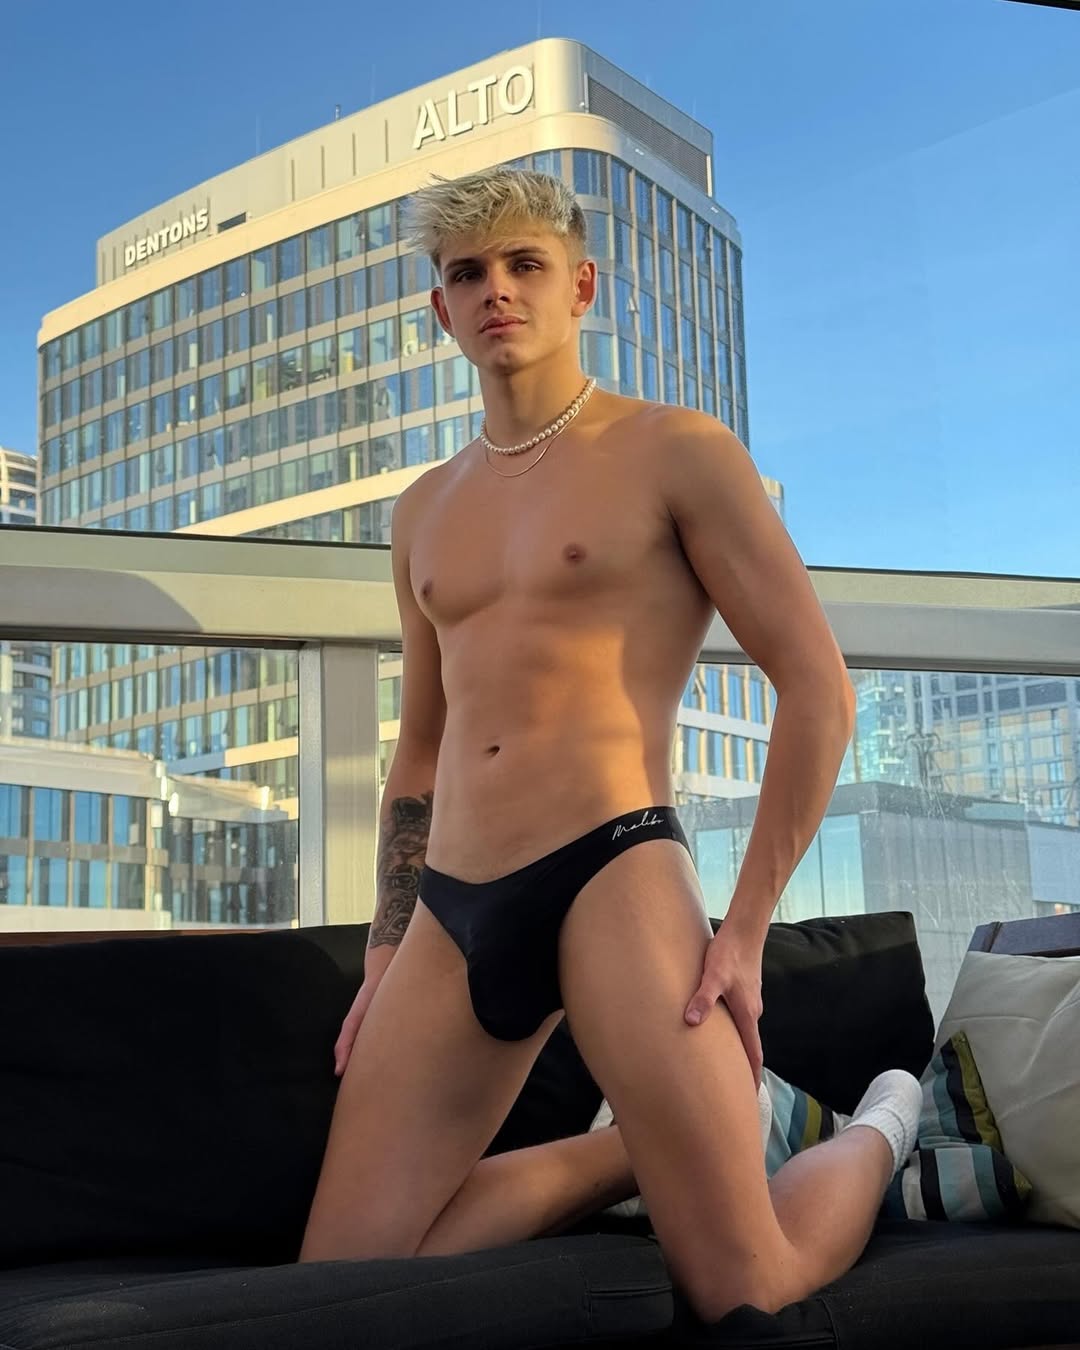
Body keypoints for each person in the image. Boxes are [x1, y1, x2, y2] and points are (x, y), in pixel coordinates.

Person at [298, 166, 922, 1323]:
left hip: (613, 871)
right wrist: (385, 949)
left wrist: (744, 933)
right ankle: (639, 1151)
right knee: (341, 1289)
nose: (497, 290)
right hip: (452, 910)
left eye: (524, 265)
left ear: (580, 287)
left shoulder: (675, 450)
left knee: (747, 1287)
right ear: (440, 309)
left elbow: (817, 690)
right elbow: (421, 749)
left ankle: (884, 1122)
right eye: (468, 274)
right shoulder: (422, 511)